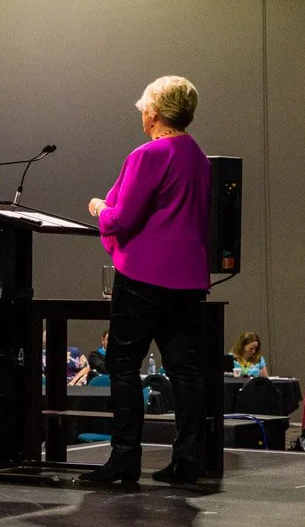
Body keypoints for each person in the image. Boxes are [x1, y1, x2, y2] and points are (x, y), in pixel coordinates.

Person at [82, 75, 211, 486]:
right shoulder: (199, 158)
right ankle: (189, 460)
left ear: (153, 113)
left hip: (143, 278)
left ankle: (124, 462)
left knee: (122, 367)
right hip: (188, 280)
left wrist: (100, 208)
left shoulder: (148, 155)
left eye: (143, 109)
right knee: (185, 372)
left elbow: (122, 218)